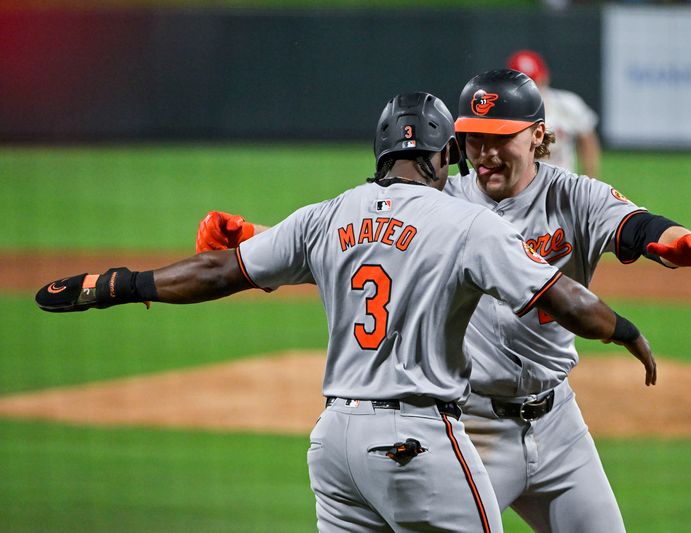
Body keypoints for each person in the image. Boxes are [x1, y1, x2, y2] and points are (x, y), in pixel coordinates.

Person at [36, 91, 657, 533]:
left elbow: (219, 270)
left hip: (333, 448)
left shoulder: (328, 215)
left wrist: (114, 284)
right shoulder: (467, 222)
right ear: (446, 157)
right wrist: (625, 330)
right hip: (417, 443)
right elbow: (561, 297)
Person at [197, 71, 691, 532]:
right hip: (471, 425)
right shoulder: (438, 200)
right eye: (474, 137)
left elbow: (635, 225)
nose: (484, 152)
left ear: (538, 136)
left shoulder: (573, 195)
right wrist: (254, 235)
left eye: (500, 137)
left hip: (558, 425)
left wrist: (669, 238)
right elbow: (352, 248)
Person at [507, 49, 602, 177]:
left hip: (564, 183)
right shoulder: (505, 111)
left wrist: (590, 179)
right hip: (524, 187)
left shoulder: (567, 104)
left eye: (534, 80)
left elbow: (587, 140)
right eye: (523, 83)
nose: (531, 87)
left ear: (545, 77)